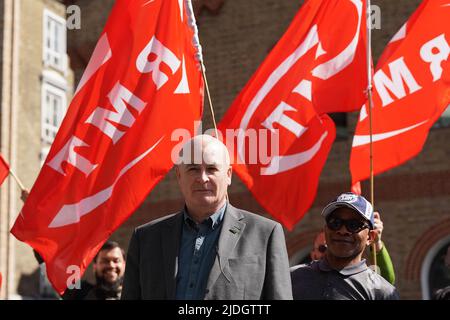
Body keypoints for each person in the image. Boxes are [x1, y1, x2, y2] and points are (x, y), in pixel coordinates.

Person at [121, 134, 292, 300]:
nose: (202, 178)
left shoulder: (265, 234)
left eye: (212, 169)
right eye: (193, 169)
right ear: (179, 176)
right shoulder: (146, 238)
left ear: (228, 175)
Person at [291, 192, 399, 300]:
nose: (342, 231)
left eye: (354, 225)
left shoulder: (382, 293)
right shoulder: (290, 277)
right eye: (335, 222)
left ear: (370, 237)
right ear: (325, 229)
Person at [307, 211, 396, 285]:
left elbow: (385, 280)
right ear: (313, 254)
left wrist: (376, 242)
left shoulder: (363, 281)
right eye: (322, 248)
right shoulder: (299, 277)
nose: (328, 251)